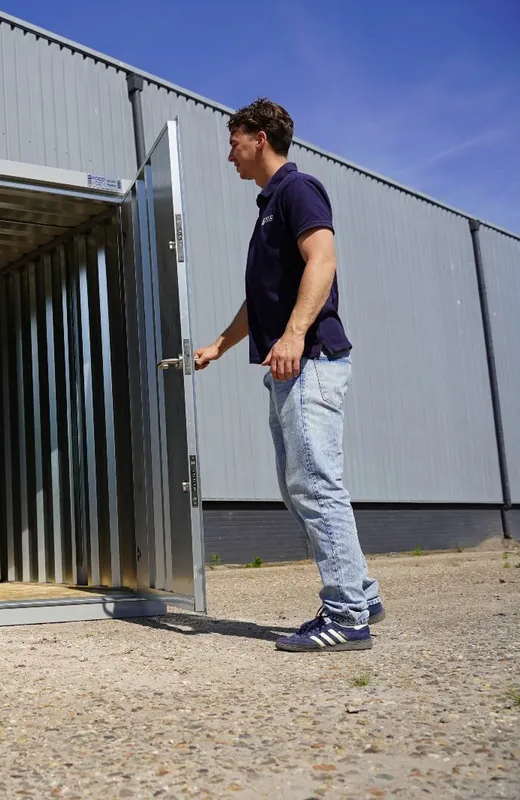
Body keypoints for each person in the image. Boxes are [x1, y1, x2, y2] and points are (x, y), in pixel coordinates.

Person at [193, 98, 383, 653]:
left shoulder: (299, 190)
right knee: (301, 487)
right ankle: (362, 593)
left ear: (258, 137)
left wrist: (296, 334)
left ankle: (347, 616)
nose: (229, 153)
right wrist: (220, 347)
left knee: (315, 484)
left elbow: (323, 262)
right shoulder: (268, 206)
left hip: (312, 361)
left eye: (233, 140)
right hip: (289, 367)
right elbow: (261, 300)